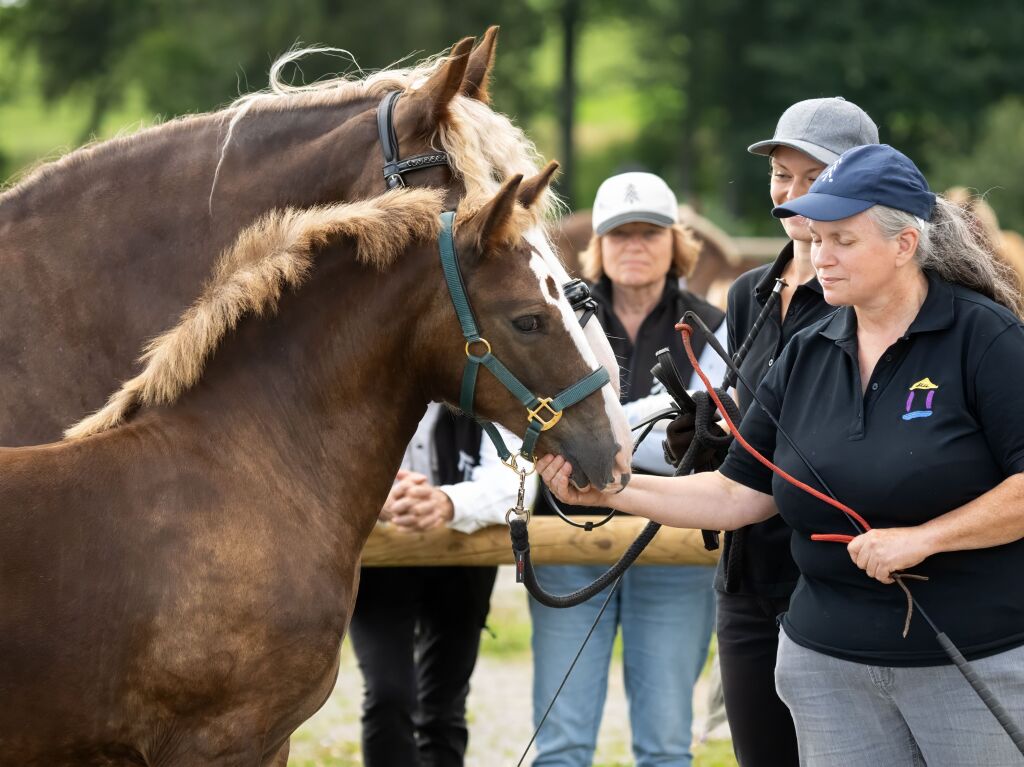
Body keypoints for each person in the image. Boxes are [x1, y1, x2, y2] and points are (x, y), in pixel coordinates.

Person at [539, 143, 1024, 766]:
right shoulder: (806, 350)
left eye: (842, 241)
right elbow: (738, 493)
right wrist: (609, 489)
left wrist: (925, 538)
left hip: (967, 660)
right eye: (816, 239)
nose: (819, 256)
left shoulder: (986, 338)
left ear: (905, 245)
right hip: (826, 666)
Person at [674, 97, 878, 767]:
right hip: (744, 578)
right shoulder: (749, 294)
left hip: (832, 581)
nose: (788, 194)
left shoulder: (867, 295)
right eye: (779, 175)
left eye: (809, 177)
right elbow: (755, 419)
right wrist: (707, 437)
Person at [528, 171, 727, 767]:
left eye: (649, 233)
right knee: (561, 742)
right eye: (620, 234)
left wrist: (590, 439)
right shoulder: (556, 317)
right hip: (566, 533)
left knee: (666, 741)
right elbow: (674, 430)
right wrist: (664, 422)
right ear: (600, 244)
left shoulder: (713, 326)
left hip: (676, 538)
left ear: (676, 243)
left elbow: (705, 440)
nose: (634, 245)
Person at [349, 404, 535, 767]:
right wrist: (376, 496)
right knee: (389, 695)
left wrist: (447, 502)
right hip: (379, 558)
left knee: (444, 704)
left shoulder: (488, 378)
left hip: (461, 559)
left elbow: (517, 482)